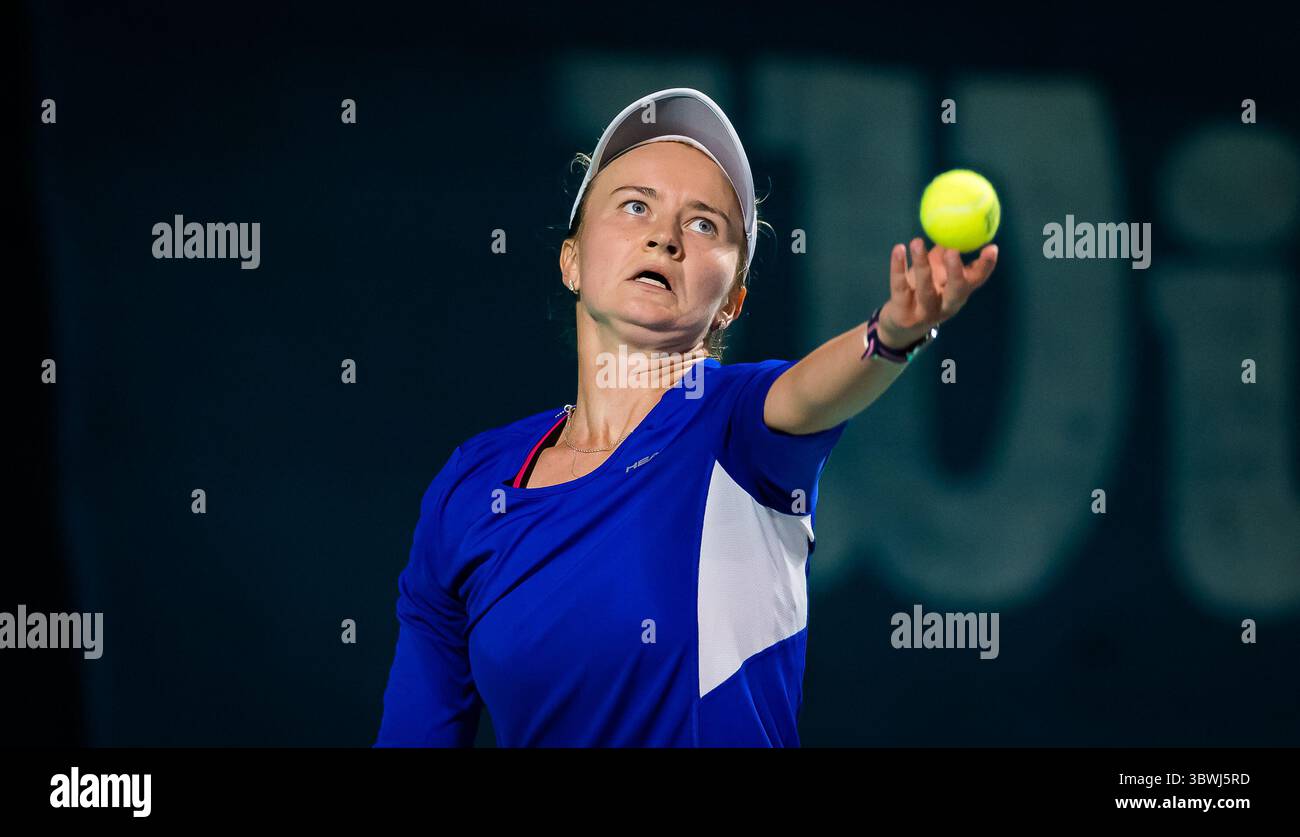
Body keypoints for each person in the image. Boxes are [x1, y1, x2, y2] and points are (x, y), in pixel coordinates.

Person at [375, 88, 997, 746]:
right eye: (635, 204)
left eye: (704, 224)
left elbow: (811, 390)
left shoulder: (738, 426)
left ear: (732, 302)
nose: (664, 236)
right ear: (572, 260)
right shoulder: (470, 488)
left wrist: (892, 331)